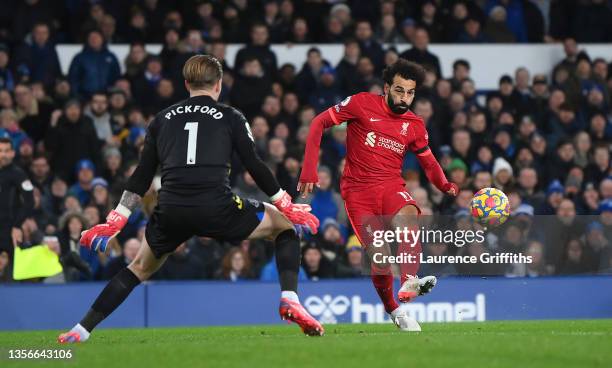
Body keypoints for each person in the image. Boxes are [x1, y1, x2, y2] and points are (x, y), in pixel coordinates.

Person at [58, 55, 323, 344]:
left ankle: (81, 330)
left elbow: (141, 176)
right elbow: (254, 164)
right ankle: (289, 299)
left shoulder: (161, 120)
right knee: (284, 226)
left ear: (186, 84)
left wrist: (116, 219)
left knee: (138, 268)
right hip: (216, 206)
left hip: (171, 210)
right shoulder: (231, 116)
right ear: (218, 84)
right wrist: (286, 202)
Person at [298, 59, 458, 331]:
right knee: (381, 260)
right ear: (386, 88)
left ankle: (409, 280)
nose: (404, 97)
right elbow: (318, 123)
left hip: (391, 186)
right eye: (399, 90)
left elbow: (429, 162)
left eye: (410, 92)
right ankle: (394, 310)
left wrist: (445, 185)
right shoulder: (360, 104)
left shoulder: (415, 125)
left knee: (409, 218)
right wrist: (309, 170)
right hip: (358, 193)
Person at [0, 137, 34, 269]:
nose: (3, 154)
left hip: (9, 229)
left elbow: (29, 201)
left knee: (12, 269)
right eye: (0, 151)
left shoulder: (19, 174)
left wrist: (17, 225)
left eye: (7, 151)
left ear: (13, 153)